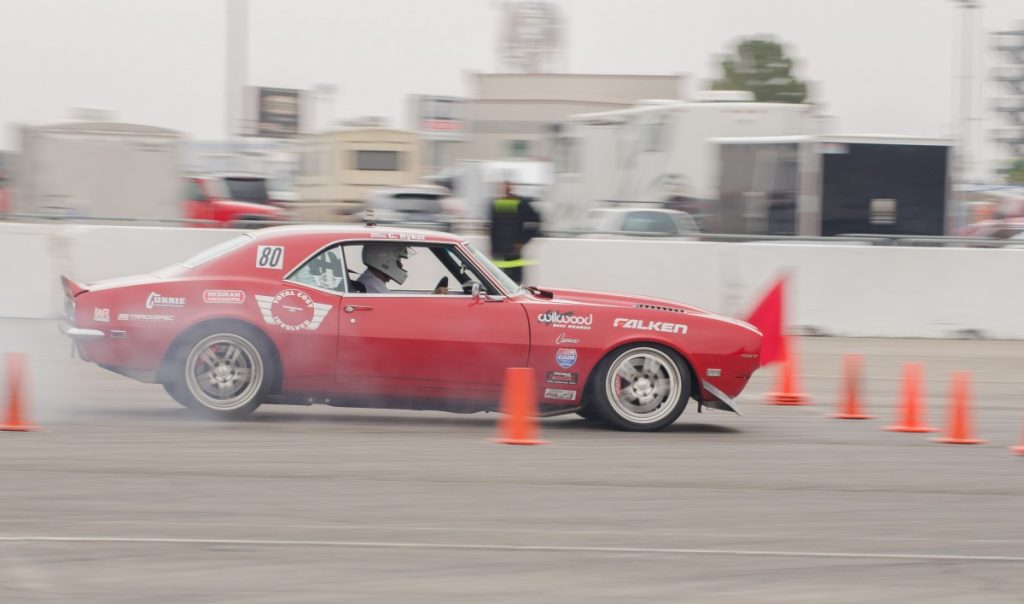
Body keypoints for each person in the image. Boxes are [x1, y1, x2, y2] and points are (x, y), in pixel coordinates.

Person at [488, 180, 541, 283]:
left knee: (514, 283)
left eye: (507, 186)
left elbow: (535, 221)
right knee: (500, 283)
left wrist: (522, 241)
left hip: (513, 252)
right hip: (499, 253)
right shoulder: (496, 203)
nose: (504, 189)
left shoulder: (520, 203)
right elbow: (493, 227)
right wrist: (492, 248)